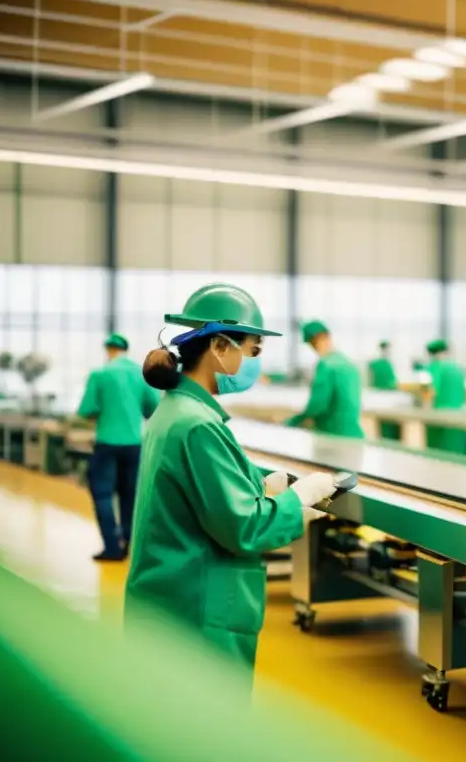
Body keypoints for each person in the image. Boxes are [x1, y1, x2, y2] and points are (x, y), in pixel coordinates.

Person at [125, 283, 338, 685]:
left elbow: (202, 486)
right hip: (197, 614)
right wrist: (298, 498)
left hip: (172, 600)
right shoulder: (198, 425)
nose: (255, 361)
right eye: (253, 351)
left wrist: (260, 483)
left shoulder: (176, 411)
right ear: (221, 348)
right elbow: (246, 526)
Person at [76, 333, 160, 562]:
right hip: (134, 444)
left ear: (108, 350)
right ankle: (129, 542)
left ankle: (112, 548)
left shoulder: (100, 374)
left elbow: (85, 410)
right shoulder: (140, 375)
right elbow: (153, 407)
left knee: (103, 494)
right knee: (130, 495)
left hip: (106, 443)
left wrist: (104, 415)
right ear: (126, 349)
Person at [284, 321, 364, 439]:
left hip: (332, 435)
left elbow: (319, 404)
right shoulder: (349, 364)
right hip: (353, 434)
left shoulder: (326, 365)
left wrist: (294, 421)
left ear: (313, 342)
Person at [424, 339, 466, 455]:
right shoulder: (457, 368)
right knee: (457, 453)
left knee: (438, 455)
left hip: (441, 417)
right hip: (459, 415)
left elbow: (432, 391)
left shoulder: (436, 366)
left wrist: (425, 411)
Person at [367, 340, 401, 441]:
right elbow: (393, 382)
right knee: (390, 424)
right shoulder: (387, 364)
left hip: (379, 398)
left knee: (383, 425)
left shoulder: (374, 364)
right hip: (388, 397)